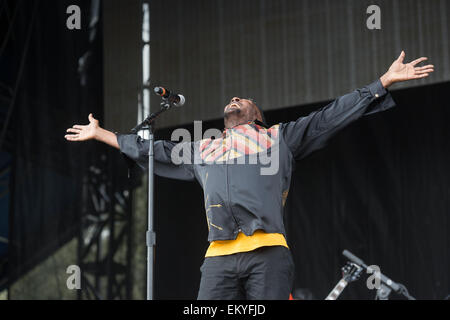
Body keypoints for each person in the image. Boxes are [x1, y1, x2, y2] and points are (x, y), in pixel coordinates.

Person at [65, 51, 433, 300]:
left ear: (257, 115)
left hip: (267, 252)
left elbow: (328, 117)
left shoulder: (278, 138)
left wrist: (380, 84)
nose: (235, 98)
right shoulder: (204, 148)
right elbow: (154, 151)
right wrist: (102, 134)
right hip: (218, 257)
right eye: (232, 99)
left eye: (243, 98)